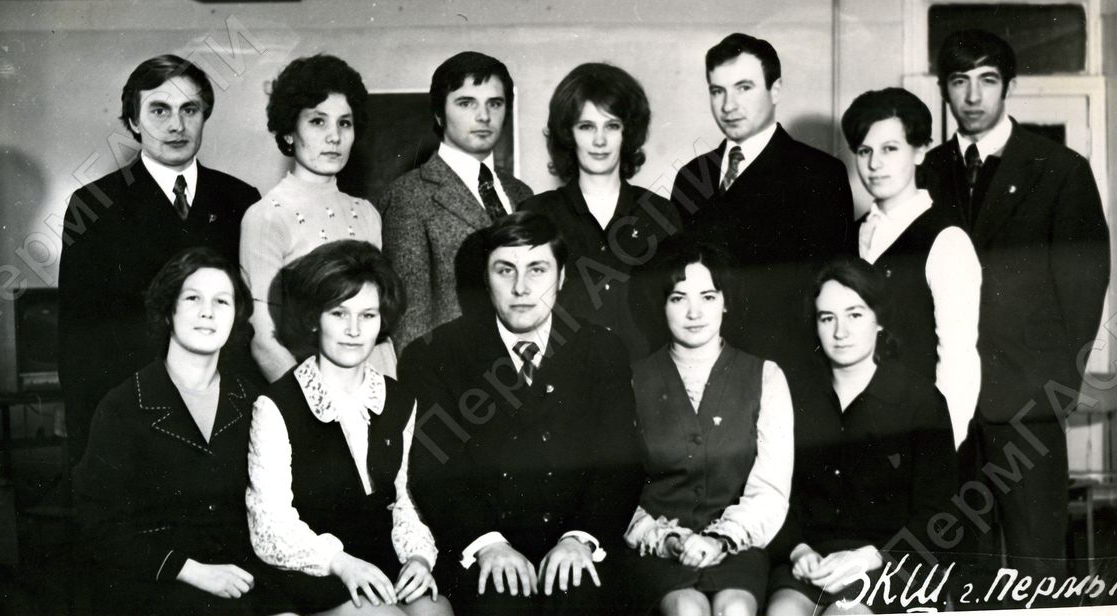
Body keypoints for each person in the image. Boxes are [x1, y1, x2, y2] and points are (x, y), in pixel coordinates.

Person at [917, 30, 1110, 576]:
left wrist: (1055, 390)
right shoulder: (927, 172)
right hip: (947, 402)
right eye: (959, 81)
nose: (973, 96)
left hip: (1028, 402)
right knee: (960, 563)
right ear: (943, 89)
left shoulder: (1060, 169)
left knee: (1037, 562)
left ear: (1009, 87)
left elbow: (1084, 292)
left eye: (987, 80)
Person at [402, 211, 642, 615]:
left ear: (561, 277)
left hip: (576, 545)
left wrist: (579, 538)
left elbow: (622, 466)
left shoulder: (603, 350)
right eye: (505, 270)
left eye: (537, 269)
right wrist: (488, 544)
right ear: (486, 278)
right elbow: (433, 471)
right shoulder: (436, 354)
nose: (521, 288)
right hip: (483, 549)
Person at [59, 54, 261, 467]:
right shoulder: (93, 205)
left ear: (205, 116)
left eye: (189, 110)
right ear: (134, 122)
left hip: (224, 417)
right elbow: (78, 338)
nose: (176, 126)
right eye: (159, 110)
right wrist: (90, 443)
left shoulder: (241, 200)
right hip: (135, 421)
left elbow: (250, 322)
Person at [245, 240, 450, 616]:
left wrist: (418, 559)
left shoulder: (399, 399)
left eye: (368, 315)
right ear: (314, 318)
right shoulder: (276, 405)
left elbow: (404, 500)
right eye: (339, 313)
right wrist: (341, 564)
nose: (354, 330)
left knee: (435, 610)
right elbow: (270, 525)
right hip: (312, 568)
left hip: (377, 558)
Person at [73, 247, 272, 615]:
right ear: (168, 310)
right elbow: (99, 525)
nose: (207, 312)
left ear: (236, 317)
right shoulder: (123, 406)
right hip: (152, 586)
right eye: (193, 298)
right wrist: (191, 571)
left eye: (222, 301)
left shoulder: (254, 401)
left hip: (243, 578)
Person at [766, 258, 955, 615]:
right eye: (827, 318)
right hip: (816, 560)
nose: (841, 332)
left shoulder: (920, 400)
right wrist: (798, 551)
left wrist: (872, 557)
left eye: (854, 315)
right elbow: (774, 496)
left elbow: (938, 515)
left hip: (893, 561)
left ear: (879, 319)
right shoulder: (795, 400)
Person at [625, 236, 793, 616]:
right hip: (657, 548)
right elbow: (617, 493)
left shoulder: (766, 377)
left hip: (735, 546)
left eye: (708, 296)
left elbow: (770, 489)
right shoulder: (632, 381)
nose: (694, 312)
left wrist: (721, 539)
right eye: (678, 298)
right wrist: (666, 539)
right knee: (687, 609)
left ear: (726, 301)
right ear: (661, 304)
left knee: (735, 609)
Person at [670, 32, 853, 375]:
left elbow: (830, 292)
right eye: (717, 91)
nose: (728, 105)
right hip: (701, 370)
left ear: (776, 90)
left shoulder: (819, 174)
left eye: (744, 88)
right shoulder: (692, 177)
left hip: (784, 371)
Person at [241, 54, 397, 382]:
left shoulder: (367, 214)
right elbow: (265, 342)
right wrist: (316, 405)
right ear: (288, 132)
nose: (334, 137)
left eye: (345, 123)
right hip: (310, 394)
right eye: (317, 121)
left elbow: (377, 330)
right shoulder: (267, 217)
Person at [841, 87, 981, 449]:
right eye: (865, 151)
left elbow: (958, 360)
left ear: (919, 151)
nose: (874, 164)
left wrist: (945, 448)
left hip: (918, 437)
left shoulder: (946, 240)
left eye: (890, 149)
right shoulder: (849, 236)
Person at [519, 62, 681, 359]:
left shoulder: (659, 214)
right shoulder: (536, 213)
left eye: (612, 126)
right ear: (568, 134)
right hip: (563, 375)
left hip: (644, 375)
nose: (600, 140)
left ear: (628, 133)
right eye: (587, 126)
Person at [381, 51, 534, 352]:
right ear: (439, 114)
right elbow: (409, 323)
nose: (484, 116)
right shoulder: (408, 195)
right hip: (453, 370)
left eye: (495, 103)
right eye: (466, 103)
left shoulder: (522, 193)